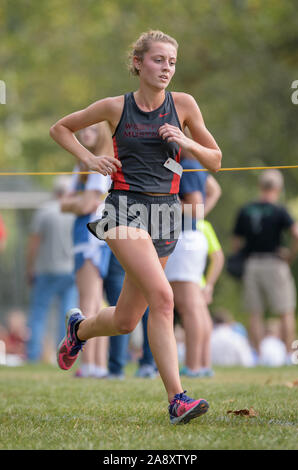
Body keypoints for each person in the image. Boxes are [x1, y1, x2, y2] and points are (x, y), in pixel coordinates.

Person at [50, 30, 222, 425]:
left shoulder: (185, 105)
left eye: (172, 62)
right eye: (159, 60)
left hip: (165, 215)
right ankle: (177, 399)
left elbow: (214, 160)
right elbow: (61, 128)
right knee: (164, 298)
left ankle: (79, 330)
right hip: (123, 210)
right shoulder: (115, 107)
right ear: (139, 63)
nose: (166, 69)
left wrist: (186, 142)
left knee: (127, 319)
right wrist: (89, 159)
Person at [164, 145, 223, 378]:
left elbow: (195, 205)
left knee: (188, 308)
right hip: (193, 237)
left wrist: (167, 204)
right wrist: (199, 217)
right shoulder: (194, 166)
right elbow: (214, 190)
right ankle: (202, 363)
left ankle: (193, 366)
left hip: (185, 239)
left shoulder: (186, 167)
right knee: (197, 307)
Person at [61, 123, 112, 378]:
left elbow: (86, 204)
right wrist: (73, 203)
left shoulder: (97, 166)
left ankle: (92, 364)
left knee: (89, 300)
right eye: (82, 130)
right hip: (87, 233)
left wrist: (73, 203)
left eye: (92, 130)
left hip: (90, 234)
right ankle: (96, 364)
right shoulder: (82, 167)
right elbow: (68, 202)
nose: (84, 134)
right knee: (95, 299)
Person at [232, 169, 298, 357]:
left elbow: (236, 242)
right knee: (285, 310)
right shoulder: (279, 210)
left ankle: (258, 356)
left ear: (260, 186)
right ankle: (288, 355)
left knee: (255, 312)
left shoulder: (246, 209)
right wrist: (289, 256)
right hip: (275, 263)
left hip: (252, 263)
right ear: (278, 188)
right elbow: (297, 234)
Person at [26, 176, 78, 362]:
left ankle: (32, 355)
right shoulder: (75, 212)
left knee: (38, 313)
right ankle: (63, 355)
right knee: (67, 316)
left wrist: (30, 267)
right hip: (71, 271)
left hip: (46, 270)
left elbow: (34, 243)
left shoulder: (44, 212)